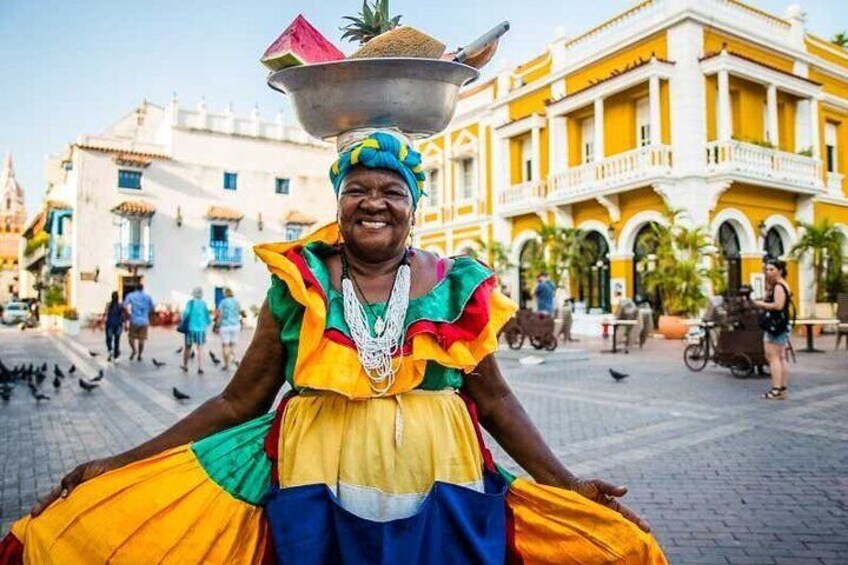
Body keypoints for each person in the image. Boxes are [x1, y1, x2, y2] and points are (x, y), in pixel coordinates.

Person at [1, 137, 666, 563]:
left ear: (415, 207)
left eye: (391, 191)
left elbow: (492, 397)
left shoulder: (456, 285)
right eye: (357, 189)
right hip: (315, 489)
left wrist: (565, 482)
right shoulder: (299, 285)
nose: (373, 202)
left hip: (445, 490)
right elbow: (240, 399)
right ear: (339, 202)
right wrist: (119, 462)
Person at [752, 259, 792, 400]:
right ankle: (782, 388)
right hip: (782, 324)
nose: (768, 272)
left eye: (772, 269)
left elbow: (778, 305)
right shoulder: (780, 285)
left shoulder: (779, 286)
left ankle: (776, 389)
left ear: (780, 270)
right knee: (781, 357)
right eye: (767, 269)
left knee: (773, 357)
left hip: (775, 325)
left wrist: (760, 304)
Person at [180, 287, 211, 375]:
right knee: (200, 348)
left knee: (188, 347)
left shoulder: (190, 303)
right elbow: (207, 316)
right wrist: (207, 323)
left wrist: (182, 320)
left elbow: (185, 313)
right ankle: (200, 367)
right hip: (201, 329)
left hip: (190, 328)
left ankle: (185, 366)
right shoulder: (204, 303)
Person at [122, 284, 154, 362]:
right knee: (141, 339)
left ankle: (134, 350)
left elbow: (124, 305)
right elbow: (153, 307)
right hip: (144, 321)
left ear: (136, 288)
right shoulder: (148, 296)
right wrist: (147, 311)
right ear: (143, 288)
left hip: (134, 320)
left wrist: (128, 314)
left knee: (131, 337)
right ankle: (139, 355)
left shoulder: (131, 295)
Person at [215, 287, 241, 370]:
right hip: (235, 325)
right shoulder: (236, 302)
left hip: (225, 325)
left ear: (225, 294)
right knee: (232, 345)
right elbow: (238, 312)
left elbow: (220, 315)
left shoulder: (223, 302)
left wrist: (217, 325)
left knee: (225, 346)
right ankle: (234, 358)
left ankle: (226, 364)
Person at [104, 291, 125, 361]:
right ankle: (116, 357)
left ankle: (110, 350)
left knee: (108, 340)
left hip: (109, 324)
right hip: (118, 325)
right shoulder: (120, 306)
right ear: (118, 298)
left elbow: (106, 314)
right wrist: (124, 324)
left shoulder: (108, 305)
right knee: (117, 341)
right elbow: (123, 316)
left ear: (111, 297)